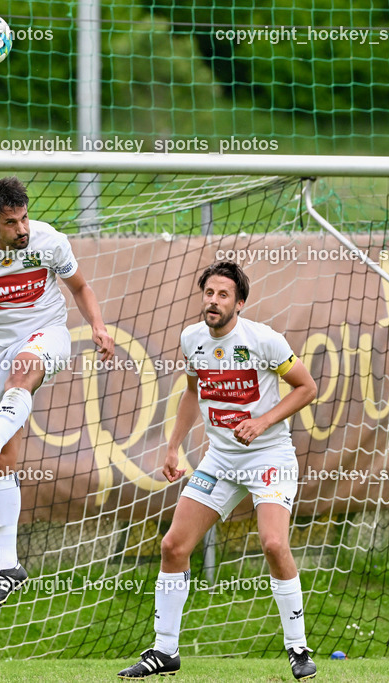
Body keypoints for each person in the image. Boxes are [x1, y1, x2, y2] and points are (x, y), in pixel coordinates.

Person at [118, 261, 319, 681]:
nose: (213, 300)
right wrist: (173, 446)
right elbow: (193, 392)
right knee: (173, 546)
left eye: (223, 294)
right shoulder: (191, 339)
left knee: (273, 544)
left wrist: (262, 422)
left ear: (239, 303)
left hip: (269, 457)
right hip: (221, 460)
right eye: (209, 292)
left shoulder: (263, 339)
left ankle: (298, 647)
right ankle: (164, 650)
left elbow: (307, 387)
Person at [0, 176, 114, 612]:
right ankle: (9, 567)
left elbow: (81, 288)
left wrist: (98, 326)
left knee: (23, 373)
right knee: (1, 464)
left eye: (25, 217)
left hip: (46, 334)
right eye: (12, 222)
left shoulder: (49, 240)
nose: (23, 228)